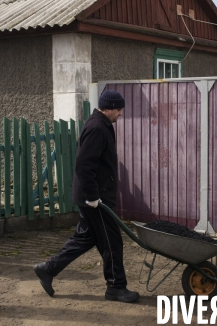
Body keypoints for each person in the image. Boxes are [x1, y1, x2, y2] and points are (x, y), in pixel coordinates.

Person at [33, 89, 139, 303]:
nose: (120, 113)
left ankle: (48, 269)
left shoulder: (101, 125)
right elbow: (83, 165)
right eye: (119, 109)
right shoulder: (97, 128)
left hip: (95, 197)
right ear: (108, 108)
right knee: (112, 242)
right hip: (95, 200)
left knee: (84, 239)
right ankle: (116, 287)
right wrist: (92, 196)